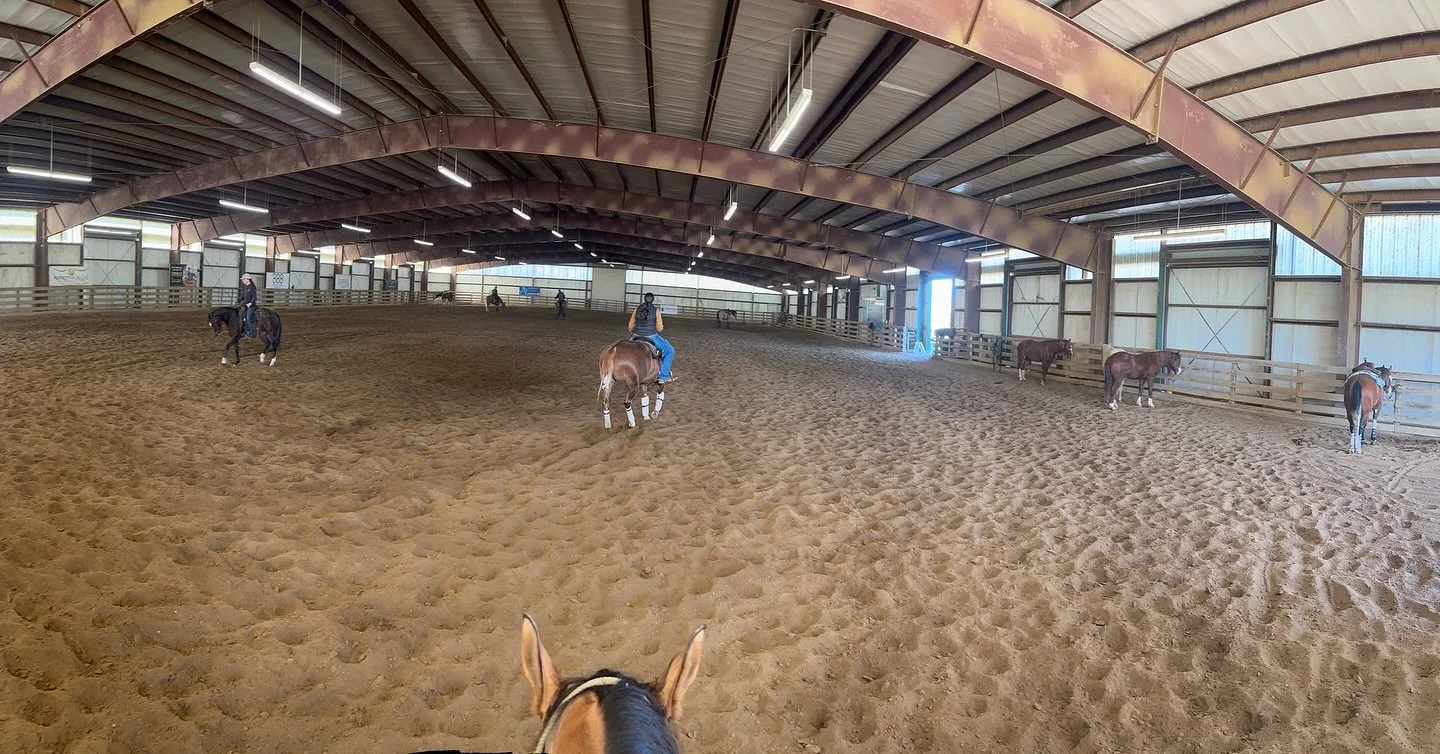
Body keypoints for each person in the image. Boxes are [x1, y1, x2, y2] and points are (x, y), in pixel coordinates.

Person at [628, 292, 675, 384]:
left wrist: (634, 333)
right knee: (670, 351)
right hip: (651, 336)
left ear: (644, 299)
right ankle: (664, 376)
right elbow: (660, 328)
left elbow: (630, 326)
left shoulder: (637, 309)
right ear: (653, 300)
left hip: (636, 336)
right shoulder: (655, 310)